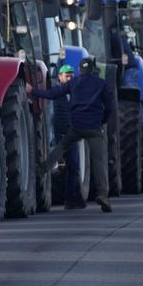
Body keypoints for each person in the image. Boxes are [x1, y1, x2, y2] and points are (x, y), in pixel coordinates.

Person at [27, 57, 115, 213]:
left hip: (76, 126)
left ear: (80, 69)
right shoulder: (101, 83)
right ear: (93, 69)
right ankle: (103, 195)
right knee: (99, 161)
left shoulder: (74, 83)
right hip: (94, 128)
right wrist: (102, 121)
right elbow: (110, 107)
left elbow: (53, 94)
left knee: (61, 147)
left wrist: (32, 91)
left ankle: (41, 169)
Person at [51, 64, 86, 209]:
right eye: (67, 76)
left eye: (72, 76)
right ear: (60, 77)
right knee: (59, 167)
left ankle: (72, 198)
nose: (70, 78)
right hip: (59, 135)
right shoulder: (55, 93)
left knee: (74, 166)